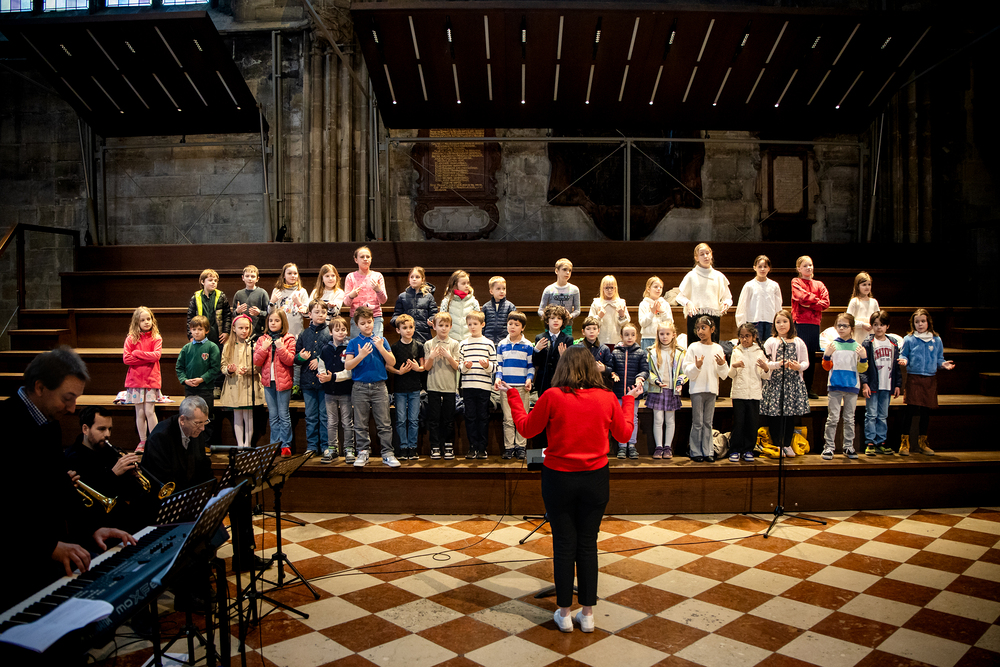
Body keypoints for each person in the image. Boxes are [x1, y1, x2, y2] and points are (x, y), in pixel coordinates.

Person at [499, 346, 643, 633]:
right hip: (595, 478)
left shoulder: (553, 396)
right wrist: (628, 400)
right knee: (588, 544)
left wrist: (513, 395)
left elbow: (526, 429)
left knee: (564, 544)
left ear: (562, 368)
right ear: (591, 368)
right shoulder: (606, 397)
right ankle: (587, 615)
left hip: (559, 479)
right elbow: (625, 434)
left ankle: (564, 614)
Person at [2, 347, 135, 612]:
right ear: (40, 387)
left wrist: (92, 529)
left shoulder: (49, 423)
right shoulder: (6, 422)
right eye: (67, 398)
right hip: (16, 569)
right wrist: (48, 547)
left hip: (48, 557)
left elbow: (58, 489)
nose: (73, 408)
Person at [64, 406, 152, 533]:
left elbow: (125, 492)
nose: (107, 434)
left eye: (109, 429)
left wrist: (131, 476)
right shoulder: (72, 458)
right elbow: (86, 501)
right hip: (95, 526)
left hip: (122, 519)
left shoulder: (111, 451)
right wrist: (114, 474)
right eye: (101, 429)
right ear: (85, 429)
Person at [898, 308, 955, 456]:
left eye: (923, 321)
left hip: (929, 379)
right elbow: (904, 354)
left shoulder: (936, 340)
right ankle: (904, 443)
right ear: (913, 324)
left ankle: (923, 442)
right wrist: (904, 360)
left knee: (925, 412)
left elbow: (939, 358)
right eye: (917, 322)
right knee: (910, 411)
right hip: (914, 378)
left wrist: (943, 364)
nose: (920, 324)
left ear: (928, 322)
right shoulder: (909, 339)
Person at [345, 306, 397, 467]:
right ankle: (362, 452)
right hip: (359, 387)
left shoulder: (381, 340)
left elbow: (392, 362)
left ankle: (387, 453)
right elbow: (348, 365)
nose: (367, 325)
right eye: (363, 323)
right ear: (357, 325)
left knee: (384, 423)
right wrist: (360, 356)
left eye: (369, 322)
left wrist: (380, 348)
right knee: (360, 423)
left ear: (373, 321)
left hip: (379, 386)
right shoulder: (353, 342)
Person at [762, 310, 812, 459]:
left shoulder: (798, 342)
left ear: (790, 323)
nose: (781, 325)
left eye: (785, 321)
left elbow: (806, 362)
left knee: (789, 416)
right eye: (778, 322)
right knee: (775, 414)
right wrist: (777, 364)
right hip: (775, 383)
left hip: (792, 384)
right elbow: (765, 363)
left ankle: (787, 443)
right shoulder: (771, 342)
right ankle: (777, 443)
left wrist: (798, 367)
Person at [821, 313, 869, 460]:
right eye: (839, 325)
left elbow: (862, 369)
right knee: (833, 418)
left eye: (845, 326)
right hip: (835, 386)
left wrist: (864, 357)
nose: (841, 328)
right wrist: (827, 355)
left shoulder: (857, 347)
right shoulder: (832, 345)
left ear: (851, 328)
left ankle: (848, 446)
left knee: (849, 418)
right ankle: (829, 447)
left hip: (851, 387)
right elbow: (826, 367)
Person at [683, 316, 730, 462]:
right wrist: (696, 366)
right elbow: (686, 370)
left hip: (711, 390)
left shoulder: (717, 348)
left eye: (703, 328)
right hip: (697, 390)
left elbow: (724, 374)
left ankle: (708, 451)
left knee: (708, 422)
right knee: (697, 422)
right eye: (698, 328)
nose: (700, 331)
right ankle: (695, 451)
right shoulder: (693, 347)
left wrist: (722, 364)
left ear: (712, 329)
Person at [219, 314, 266, 449]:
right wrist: (229, 370)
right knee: (237, 415)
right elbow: (223, 366)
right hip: (234, 385)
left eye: (247, 328)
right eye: (241, 328)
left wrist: (249, 370)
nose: (244, 331)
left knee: (248, 416)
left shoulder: (254, 345)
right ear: (234, 328)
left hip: (249, 385)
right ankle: (240, 445)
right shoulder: (228, 346)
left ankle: (248, 444)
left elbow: (259, 366)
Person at [254, 310, 296, 457]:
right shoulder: (262, 339)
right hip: (268, 382)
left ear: (282, 322)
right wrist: (264, 348)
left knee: (283, 414)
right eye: (271, 320)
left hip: (283, 382)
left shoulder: (289, 339)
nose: (273, 323)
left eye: (276, 321)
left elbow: (290, 360)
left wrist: (280, 347)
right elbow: (256, 361)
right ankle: (274, 444)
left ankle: (285, 445)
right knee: (273, 415)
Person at [176, 315, 221, 452]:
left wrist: (202, 379)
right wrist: (185, 380)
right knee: (190, 417)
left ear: (206, 330)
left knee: (206, 417)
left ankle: (205, 444)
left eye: (200, 329)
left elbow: (215, 368)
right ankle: (191, 444)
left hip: (205, 389)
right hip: (190, 389)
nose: (196, 332)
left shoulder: (212, 347)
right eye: (194, 329)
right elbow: (179, 367)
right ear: (190, 330)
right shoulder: (186, 348)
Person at [727, 323, 770, 462]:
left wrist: (766, 368)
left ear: (754, 337)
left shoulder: (759, 352)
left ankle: (748, 449)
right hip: (739, 393)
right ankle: (735, 449)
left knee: (752, 423)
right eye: (742, 336)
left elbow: (764, 376)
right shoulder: (736, 351)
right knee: (738, 423)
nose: (744, 339)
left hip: (754, 394)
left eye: (747, 336)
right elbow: (731, 375)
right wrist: (734, 366)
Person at [861, 310, 901, 456]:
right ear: (872, 326)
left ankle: (881, 442)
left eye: (882, 325)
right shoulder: (868, 343)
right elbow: (863, 366)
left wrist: (897, 384)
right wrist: (865, 384)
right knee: (871, 414)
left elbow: (896, 367)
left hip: (887, 385)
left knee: (883, 415)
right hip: (873, 385)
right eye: (876, 324)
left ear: (887, 326)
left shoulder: (893, 343)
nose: (879, 328)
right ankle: (870, 442)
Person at [186, 268, 231, 399]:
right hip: (201, 335)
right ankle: (202, 385)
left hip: (217, 334)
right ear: (202, 282)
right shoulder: (196, 297)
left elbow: (227, 315)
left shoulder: (221, 296)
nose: (213, 283)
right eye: (210, 280)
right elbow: (190, 317)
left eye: (215, 280)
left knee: (217, 360)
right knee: (202, 360)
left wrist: (226, 332)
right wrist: (190, 335)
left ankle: (217, 386)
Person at [495, 311, 534, 460]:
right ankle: (509, 447)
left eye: (516, 325)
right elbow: (499, 365)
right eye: (510, 324)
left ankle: (520, 447)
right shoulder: (502, 344)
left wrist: (529, 379)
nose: (512, 327)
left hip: (522, 387)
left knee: (522, 418)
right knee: (508, 419)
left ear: (522, 327)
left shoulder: (528, 345)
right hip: (506, 387)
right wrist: (498, 378)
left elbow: (530, 366)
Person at [122, 305, 162, 454]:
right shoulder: (131, 338)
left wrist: (138, 353)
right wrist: (146, 357)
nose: (146, 322)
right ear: (136, 322)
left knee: (150, 411)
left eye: (148, 319)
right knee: (139, 412)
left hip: (151, 380)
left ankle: (155, 441)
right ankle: (143, 441)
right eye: (142, 320)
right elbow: (127, 359)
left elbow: (156, 356)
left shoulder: (156, 337)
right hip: (135, 381)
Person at [646, 321, 687, 460]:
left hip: (672, 390)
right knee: (658, 420)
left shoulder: (679, 353)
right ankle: (658, 447)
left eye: (667, 334)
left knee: (670, 420)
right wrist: (655, 381)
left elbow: (684, 372)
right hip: (657, 390)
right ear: (657, 335)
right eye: (662, 334)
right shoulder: (652, 352)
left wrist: (680, 381)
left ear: (673, 335)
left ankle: (667, 447)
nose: (664, 336)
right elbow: (648, 372)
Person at [676, 243, 732, 344]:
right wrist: (688, 303)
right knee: (694, 347)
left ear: (711, 255)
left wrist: (726, 303)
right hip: (695, 316)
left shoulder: (719, 276)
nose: (705, 256)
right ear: (696, 258)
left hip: (713, 316)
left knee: (712, 346)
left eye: (707, 253)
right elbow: (680, 297)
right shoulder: (691, 276)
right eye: (702, 254)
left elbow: (728, 297)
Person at [791, 255, 830, 399]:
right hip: (800, 323)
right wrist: (816, 300)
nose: (809, 268)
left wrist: (810, 303)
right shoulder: (796, 281)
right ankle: (797, 387)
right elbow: (800, 298)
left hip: (814, 324)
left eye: (810, 265)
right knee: (799, 354)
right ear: (799, 268)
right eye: (805, 265)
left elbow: (826, 303)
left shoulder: (819, 284)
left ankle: (808, 387)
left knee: (811, 356)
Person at [295, 300, 332, 455]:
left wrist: (319, 361)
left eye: (323, 312)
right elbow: (295, 359)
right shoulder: (304, 334)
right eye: (317, 312)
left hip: (324, 382)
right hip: (307, 382)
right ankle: (312, 446)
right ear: (309, 314)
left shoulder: (329, 333)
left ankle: (325, 446)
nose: (320, 315)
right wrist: (301, 357)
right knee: (310, 416)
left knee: (324, 416)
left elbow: (334, 356)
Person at [459, 311, 496, 459]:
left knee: (483, 417)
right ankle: (472, 446)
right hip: (468, 386)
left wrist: (487, 366)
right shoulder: (463, 344)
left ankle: (482, 448)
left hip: (484, 387)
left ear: (482, 324)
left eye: (475, 324)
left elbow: (495, 367)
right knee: (470, 417)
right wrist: (465, 366)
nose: (472, 327)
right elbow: (459, 367)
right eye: (469, 324)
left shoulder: (489, 343)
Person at [424, 313, 461, 460]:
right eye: (440, 325)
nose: (443, 328)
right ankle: (435, 446)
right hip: (433, 386)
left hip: (449, 387)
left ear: (450, 327)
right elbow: (426, 367)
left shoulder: (455, 344)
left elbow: (457, 366)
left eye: (446, 326)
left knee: (448, 418)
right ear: (434, 326)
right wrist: (432, 357)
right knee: (434, 418)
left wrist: (448, 356)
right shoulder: (428, 344)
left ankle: (448, 445)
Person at [269, 262, 310, 397]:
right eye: (290, 273)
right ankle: (283, 387)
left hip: (296, 332)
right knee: (282, 360)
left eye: (295, 273)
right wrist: (272, 301)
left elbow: (307, 314)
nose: (293, 276)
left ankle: (296, 386)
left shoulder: (302, 291)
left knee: (296, 361)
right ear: (284, 275)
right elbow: (270, 313)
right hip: (281, 334)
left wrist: (299, 303)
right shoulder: (277, 291)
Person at [387, 314, 424, 461]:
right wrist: (399, 372)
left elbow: (423, 366)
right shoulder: (395, 347)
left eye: (411, 327)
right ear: (398, 330)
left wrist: (417, 368)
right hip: (400, 389)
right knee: (401, 419)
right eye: (404, 328)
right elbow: (388, 366)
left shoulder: (419, 346)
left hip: (415, 388)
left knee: (413, 419)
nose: (408, 330)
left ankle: (412, 447)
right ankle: (403, 447)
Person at [610, 322, 649, 459]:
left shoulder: (640, 353)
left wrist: (640, 377)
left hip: (633, 393)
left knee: (633, 418)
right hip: (619, 392)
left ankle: (631, 445)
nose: (630, 337)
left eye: (632, 335)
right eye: (626, 335)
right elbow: (611, 368)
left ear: (636, 336)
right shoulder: (615, 352)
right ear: (621, 336)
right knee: (620, 419)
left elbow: (645, 370)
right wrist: (613, 374)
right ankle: (622, 445)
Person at [319, 316, 355, 462]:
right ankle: (332, 448)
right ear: (330, 332)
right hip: (329, 391)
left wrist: (333, 377)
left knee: (347, 422)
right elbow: (321, 366)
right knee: (331, 422)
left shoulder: (349, 348)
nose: (341, 332)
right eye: (337, 330)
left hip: (345, 391)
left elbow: (350, 371)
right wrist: (322, 376)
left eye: (343, 329)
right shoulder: (325, 349)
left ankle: (349, 449)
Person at [343, 245, 388, 338]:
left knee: (376, 343)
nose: (365, 259)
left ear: (371, 259)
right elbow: (346, 303)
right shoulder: (351, 277)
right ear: (356, 260)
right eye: (362, 257)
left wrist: (378, 290)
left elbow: (383, 300)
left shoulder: (377, 276)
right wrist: (351, 295)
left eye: (368, 257)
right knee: (358, 344)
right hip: (357, 318)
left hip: (375, 317)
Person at [735, 254, 783, 342]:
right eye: (760, 266)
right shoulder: (749, 285)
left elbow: (778, 305)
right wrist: (741, 325)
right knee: (755, 346)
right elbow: (742, 306)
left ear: (769, 268)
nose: (762, 269)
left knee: (770, 346)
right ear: (754, 268)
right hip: (754, 321)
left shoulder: (774, 285)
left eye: (765, 266)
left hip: (770, 321)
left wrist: (779, 322)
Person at [390, 266, 437, 344]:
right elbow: (396, 315)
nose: (414, 279)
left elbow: (434, 313)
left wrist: (432, 320)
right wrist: (398, 322)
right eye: (412, 277)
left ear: (423, 279)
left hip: (424, 336)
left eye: (417, 277)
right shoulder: (402, 297)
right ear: (409, 279)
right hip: (407, 337)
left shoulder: (429, 297)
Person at [537, 258, 581, 337]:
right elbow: (540, 310)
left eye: (570, 270)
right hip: (551, 327)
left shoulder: (574, 289)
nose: (567, 273)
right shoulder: (549, 289)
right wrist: (550, 318)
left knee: (566, 344)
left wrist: (570, 316)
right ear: (556, 271)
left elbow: (577, 310)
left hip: (567, 326)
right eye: (564, 269)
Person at [587, 275, 629, 347]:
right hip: (600, 341)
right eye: (607, 288)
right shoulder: (596, 303)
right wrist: (599, 317)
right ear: (602, 288)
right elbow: (589, 323)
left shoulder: (620, 303)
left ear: (615, 288)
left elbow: (626, 325)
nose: (609, 290)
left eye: (612, 288)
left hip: (617, 340)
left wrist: (622, 315)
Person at [440, 270, 480, 342]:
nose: (467, 286)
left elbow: (478, 320)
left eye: (468, 283)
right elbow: (442, 320)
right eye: (463, 283)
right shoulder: (446, 301)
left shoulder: (473, 301)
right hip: (451, 340)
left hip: (469, 340)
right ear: (455, 285)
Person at [233, 264, 270, 341]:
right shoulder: (238, 294)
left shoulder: (262, 293)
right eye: (247, 276)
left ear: (257, 279)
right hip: (242, 333)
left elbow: (268, 313)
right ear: (243, 278)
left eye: (253, 276)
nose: (250, 279)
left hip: (259, 332)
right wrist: (237, 311)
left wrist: (259, 313)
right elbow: (233, 314)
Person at [574, 316, 613, 386]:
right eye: (588, 329)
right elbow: (573, 367)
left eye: (594, 329)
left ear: (598, 331)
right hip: (581, 383)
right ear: (583, 332)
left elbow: (611, 369)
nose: (591, 331)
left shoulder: (605, 348)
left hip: (599, 383)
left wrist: (604, 369)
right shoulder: (578, 348)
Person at [638, 276, 673, 351]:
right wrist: (652, 312)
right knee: (648, 358)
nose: (658, 289)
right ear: (648, 289)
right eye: (656, 287)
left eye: (661, 287)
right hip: (647, 338)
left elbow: (670, 323)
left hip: (663, 338)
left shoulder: (665, 304)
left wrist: (662, 312)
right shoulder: (643, 304)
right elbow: (642, 323)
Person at [847, 271, 880, 347]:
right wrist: (862, 325)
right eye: (864, 285)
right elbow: (849, 320)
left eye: (869, 284)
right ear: (857, 286)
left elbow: (878, 318)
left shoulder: (874, 302)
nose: (867, 287)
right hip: (858, 335)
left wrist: (873, 324)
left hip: (871, 333)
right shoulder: (855, 301)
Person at [483, 275, 517, 346]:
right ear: (491, 291)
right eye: (498, 289)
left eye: (504, 288)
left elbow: (515, 323)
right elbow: (482, 325)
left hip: (505, 341)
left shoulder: (510, 306)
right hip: (488, 341)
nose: (502, 291)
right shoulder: (486, 307)